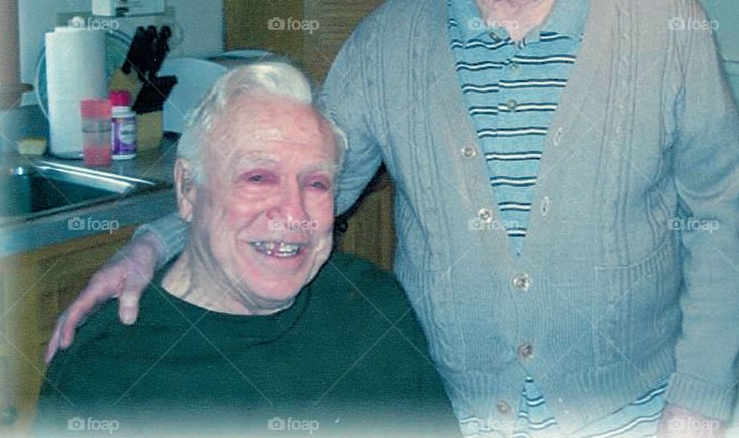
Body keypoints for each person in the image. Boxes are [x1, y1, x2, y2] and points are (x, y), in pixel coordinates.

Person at [47, 0, 739, 438]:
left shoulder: (666, 22)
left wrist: (699, 402)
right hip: (448, 405)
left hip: (631, 413)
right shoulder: (390, 39)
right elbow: (301, 188)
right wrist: (153, 245)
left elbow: (717, 217)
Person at [36, 63, 456, 438]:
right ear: (187, 187)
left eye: (316, 184)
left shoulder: (372, 307)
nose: (293, 214)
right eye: (258, 178)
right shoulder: (106, 371)